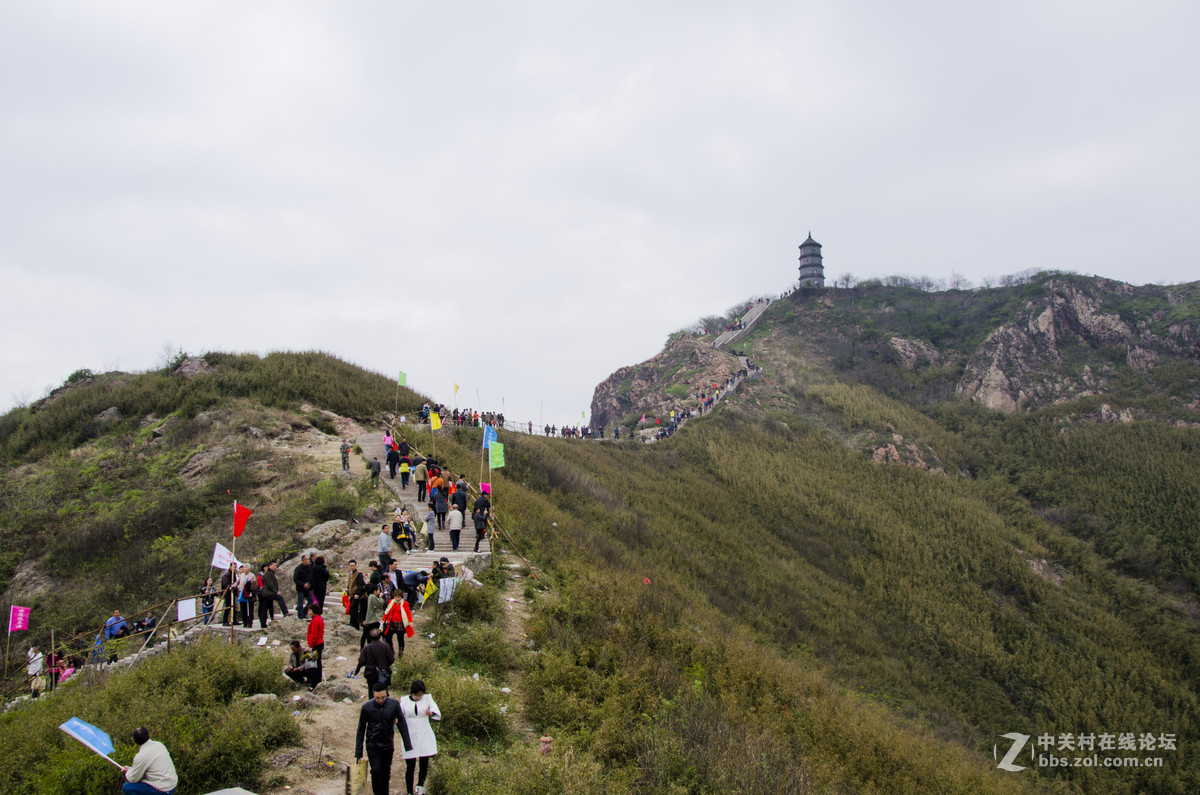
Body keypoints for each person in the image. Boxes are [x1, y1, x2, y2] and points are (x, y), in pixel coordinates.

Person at [355, 684, 413, 795]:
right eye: (377, 698)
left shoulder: (394, 704)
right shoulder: (367, 707)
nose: (380, 700)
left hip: (387, 744)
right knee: (376, 771)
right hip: (373, 745)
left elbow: (402, 723)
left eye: (383, 697)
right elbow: (361, 729)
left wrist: (407, 744)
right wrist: (358, 752)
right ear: (373, 695)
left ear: (386, 694)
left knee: (386, 772)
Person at [401, 679, 441, 795]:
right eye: (415, 695)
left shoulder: (427, 698)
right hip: (410, 734)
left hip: (424, 733)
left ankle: (420, 786)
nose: (418, 698)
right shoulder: (404, 701)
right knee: (410, 765)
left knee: (424, 762)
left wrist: (431, 713)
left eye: (420, 695)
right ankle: (409, 791)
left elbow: (436, 712)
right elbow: (399, 715)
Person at [121, 727, 178, 795]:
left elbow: (133, 779)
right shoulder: (159, 745)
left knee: (127, 787)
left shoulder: (141, 756)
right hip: (172, 784)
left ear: (135, 741)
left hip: (162, 790)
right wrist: (131, 770)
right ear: (148, 735)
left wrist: (128, 772)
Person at [353, 628, 395, 699]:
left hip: (370, 673)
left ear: (370, 637)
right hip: (383, 673)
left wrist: (357, 670)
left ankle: (373, 709)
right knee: (383, 693)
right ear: (380, 636)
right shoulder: (385, 646)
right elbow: (391, 660)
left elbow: (361, 661)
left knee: (372, 693)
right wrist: (385, 665)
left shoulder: (366, 648)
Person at [360, 583, 386, 648]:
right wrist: (380, 598)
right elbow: (380, 603)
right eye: (378, 590)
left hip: (371, 619)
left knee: (368, 635)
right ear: (374, 591)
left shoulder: (371, 597)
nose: (379, 592)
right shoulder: (372, 597)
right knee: (370, 635)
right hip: (372, 619)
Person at [237, 564, 258, 628]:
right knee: (243, 608)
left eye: (246, 567)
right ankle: (244, 621)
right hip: (242, 593)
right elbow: (238, 582)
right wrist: (233, 586)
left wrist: (250, 588)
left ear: (249, 568)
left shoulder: (252, 575)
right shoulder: (242, 575)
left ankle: (250, 622)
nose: (245, 568)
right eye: (244, 567)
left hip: (249, 594)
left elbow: (254, 584)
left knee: (250, 608)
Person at [346, 560, 365, 630]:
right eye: (351, 565)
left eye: (353, 565)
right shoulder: (349, 573)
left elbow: (360, 584)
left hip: (356, 594)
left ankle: (355, 624)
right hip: (351, 594)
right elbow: (349, 584)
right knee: (352, 609)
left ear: (356, 565)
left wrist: (357, 593)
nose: (352, 567)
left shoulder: (359, 574)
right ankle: (352, 622)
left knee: (353, 608)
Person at [307, 612, 325, 683]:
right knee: (316, 663)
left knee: (313, 664)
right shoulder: (318, 618)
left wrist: (311, 645)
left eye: (310, 610)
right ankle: (315, 680)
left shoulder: (315, 620)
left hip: (316, 644)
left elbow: (314, 634)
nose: (309, 612)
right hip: (318, 643)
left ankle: (314, 682)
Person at [293, 554, 313, 619]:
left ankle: (304, 613)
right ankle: (300, 616)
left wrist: (309, 583)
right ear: (303, 560)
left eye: (308, 559)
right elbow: (295, 579)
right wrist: (303, 584)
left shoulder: (309, 567)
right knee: (300, 602)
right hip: (300, 588)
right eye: (307, 559)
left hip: (308, 588)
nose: (308, 561)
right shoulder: (298, 568)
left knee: (310, 601)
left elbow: (311, 576)